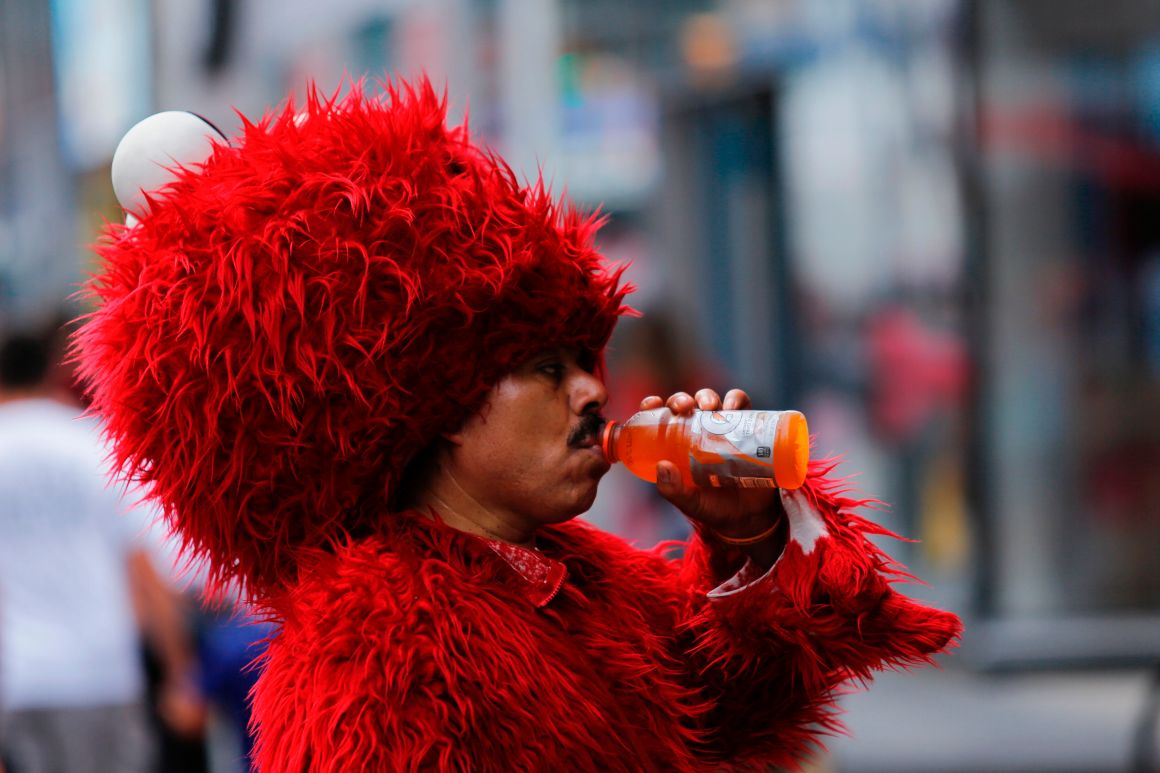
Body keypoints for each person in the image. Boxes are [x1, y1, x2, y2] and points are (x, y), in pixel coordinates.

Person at [76, 78, 960, 771]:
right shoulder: (379, 656)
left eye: (587, 361)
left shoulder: (570, 575)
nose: (589, 392)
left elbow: (736, 706)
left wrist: (750, 538)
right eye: (544, 367)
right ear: (439, 403)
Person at [0, 328, 200, 773]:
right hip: (101, 671)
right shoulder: (91, 445)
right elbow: (143, 565)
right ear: (52, 372)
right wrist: (181, 671)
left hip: (21, 678)